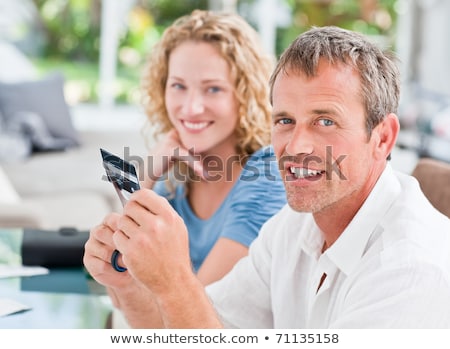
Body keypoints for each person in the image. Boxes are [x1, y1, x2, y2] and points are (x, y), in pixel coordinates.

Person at [86, 25, 450, 329]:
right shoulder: (292, 228)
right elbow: (204, 327)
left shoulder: (408, 269)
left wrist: (174, 281)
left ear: (382, 137)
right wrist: (132, 287)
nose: (296, 145)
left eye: (326, 121)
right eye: (285, 121)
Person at [83, 10, 286, 327]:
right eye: (178, 86)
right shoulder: (175, 183)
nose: (191, 107)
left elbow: (195, 321)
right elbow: (147, 323)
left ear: (245, 94)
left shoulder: (267, 173)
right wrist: (149, 173)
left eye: (212, 89)